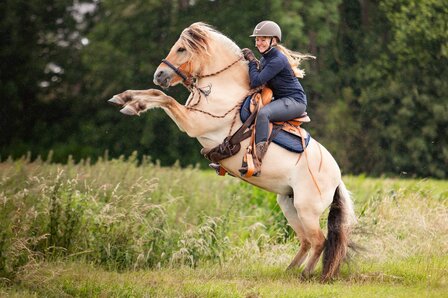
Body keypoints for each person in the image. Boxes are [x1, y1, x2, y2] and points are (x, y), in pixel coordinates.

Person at [239, 20, 314, 176]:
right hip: (282, 99)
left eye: (263, 39)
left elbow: (256, 81)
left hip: (295, 101)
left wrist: (252, 61)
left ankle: (258, 161)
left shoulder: (277, 59)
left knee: (264, 114)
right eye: (257, 39)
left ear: (273, 40)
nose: (259, 43)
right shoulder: (266, 58)